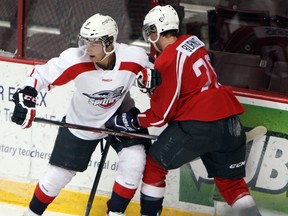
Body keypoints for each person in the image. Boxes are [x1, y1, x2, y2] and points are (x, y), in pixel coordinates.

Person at [106, 5, 262, 216]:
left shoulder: (167, 60)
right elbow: (187, 79)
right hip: (230, 121)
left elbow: (161, 115)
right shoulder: (194, 41)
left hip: (200, 124)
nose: (150, 37)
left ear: (156, 30)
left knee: (154, 165)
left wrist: (134, 121)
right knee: (232, 185)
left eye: (150, 32)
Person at [11, 13, 161, 216]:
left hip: (120, 116)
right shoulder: (75, 59)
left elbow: (158, 72)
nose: (87, 48)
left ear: (109, 43)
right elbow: (39, 76)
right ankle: (30, 214)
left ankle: (115, 213)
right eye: (85, 42)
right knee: (57, 176)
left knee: (134, 161)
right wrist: (26, 96)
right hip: (82, 121)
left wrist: (153, 81)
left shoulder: (134, 57)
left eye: (94, 43)